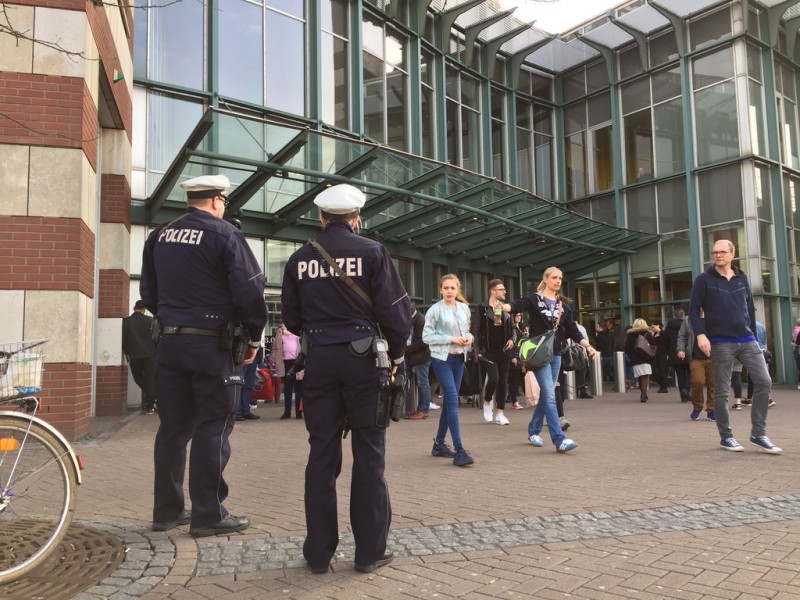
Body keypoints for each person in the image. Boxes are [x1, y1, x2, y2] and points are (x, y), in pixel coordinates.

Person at [281, 183, 411, 574]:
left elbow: (291, 320)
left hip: (319, 361)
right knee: (369, 453)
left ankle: (318, 553)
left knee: (321, 453)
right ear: (357, 218)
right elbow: (396, 315)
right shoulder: (373, 252)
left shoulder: (300, 258)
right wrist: (398, 355)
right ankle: (370, 551)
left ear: (321, 218)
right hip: (364, 362)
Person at [140, 174, 268, 537]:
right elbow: (250, 292)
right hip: (212, 345)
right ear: (216, 202)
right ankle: (208, 515)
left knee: (173, 428)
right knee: (213, 426)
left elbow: (148, 292)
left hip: (170, 343)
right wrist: (254, 338)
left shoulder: (159, 235)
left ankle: (166, 511)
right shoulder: (225, 234)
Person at [688, 239, 781, 453]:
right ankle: (726, 437)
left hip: (747, 340)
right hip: (721, 341)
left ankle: (758, 434)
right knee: (721, 391)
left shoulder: (742, 279)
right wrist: (701, 335)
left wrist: (755, 338)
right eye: (714, 252)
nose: (718, 255)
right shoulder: (704, 280)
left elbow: (749, 309)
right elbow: (694, 310)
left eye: (722, 252)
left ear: (732, 254)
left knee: (764, 381)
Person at [500, 266, 597, 453]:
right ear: (545, 279)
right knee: (551, 395)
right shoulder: (534, 299)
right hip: (539, 355)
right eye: (554, 277)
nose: (558, 281)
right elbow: (516, 306)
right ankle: (559, 439)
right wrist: (502, 306)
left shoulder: (563, 306)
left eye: (560, 278)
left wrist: (588, 346)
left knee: (547, 394)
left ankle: (533, 430)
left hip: (557, 354)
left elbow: (573, 331)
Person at [423, 274, 475, 466]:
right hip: (441, 358)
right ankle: (459, 449)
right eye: (446, 288)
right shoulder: (434, 311)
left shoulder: (463, 308)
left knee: (450, 403)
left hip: (459, 358)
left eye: (453, 288)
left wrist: (469, 338)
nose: (449, 291)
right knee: (452, 399)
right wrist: (451, 339)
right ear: (440, 290)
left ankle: (438, 444)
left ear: (457, 289)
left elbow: (467, 331)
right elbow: (426, 337)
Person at [474, 279, 516, 425]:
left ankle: (500, 413)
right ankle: (487, 401)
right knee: (494, 379)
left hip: (504, 351)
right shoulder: (482, 309)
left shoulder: (505, 309)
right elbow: (476, 331)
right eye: (501, 289)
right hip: (489, 352)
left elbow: (513, 330)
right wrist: (477, 351)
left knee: (503, 382)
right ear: (493, 292)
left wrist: (512, 340)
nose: (504, 292)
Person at [676, 310, 715, 421]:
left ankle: (712, 409)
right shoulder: (689, 320)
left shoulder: (714, 316)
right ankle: (697, 407)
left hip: (713, 357)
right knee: (698, 382)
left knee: (713, 384)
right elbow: (682, 336)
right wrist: (681, 349)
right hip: (696, 357)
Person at [121, 300, 158, 414]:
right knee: (150, 379)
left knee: (138, 378)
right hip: (150, 354)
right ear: (144, 310)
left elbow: (124, 340)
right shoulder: (150, 321)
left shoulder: (126, 322)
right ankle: (150, 405)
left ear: (134, 308)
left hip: (134, 355)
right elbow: (155, 337)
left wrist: (127, 353)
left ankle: (149, 399)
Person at [405, 303, 432, 420]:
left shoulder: (421, 320)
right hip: (415, 356)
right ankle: (418, 408)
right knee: (419, 382)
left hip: (421, 356)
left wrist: (406, 350)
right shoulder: (415, 318)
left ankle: (423, 410)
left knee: (422, 383)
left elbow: (423, 341)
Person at [274, 324, 303, 419]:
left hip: (298, 362)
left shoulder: (298, 330)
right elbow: (275, 347)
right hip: (285, 363)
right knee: (287, 389)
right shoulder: (280, 331)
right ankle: (287, 412)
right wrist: (275, 358)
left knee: (299, 389)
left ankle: (298, 412)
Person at [624, 319, 654, 402]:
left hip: (635, 358)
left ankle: (642, 392)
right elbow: (653, 345)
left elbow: (627, 348)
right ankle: (644, 393)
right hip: (646, 357)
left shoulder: (630, 334)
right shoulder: (647, 333)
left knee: (640, 376)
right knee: (645, 376)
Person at [666, 308, 691, 402]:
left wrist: (668, 353)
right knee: (691, 372)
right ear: (684, 316)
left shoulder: (669, 327)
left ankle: (683, 395)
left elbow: (666, 341)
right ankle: (687, 389)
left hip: (675, 353)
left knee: (680, 375)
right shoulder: (688, 324)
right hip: (687, 352)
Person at [506, 313, 526, 410]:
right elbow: (511, 343)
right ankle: (514, 401)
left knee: (522, 378)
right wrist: (512, 356)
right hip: (514, 355)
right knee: (514, 380)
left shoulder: (522, 327)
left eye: (520, 316)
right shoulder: (511, 328)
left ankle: (530, 397)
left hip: (522, 356)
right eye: (517, 315)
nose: (519, 317)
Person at [237, 347, 262, 421]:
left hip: (254, 354)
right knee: (241, 383)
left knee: (249, 384)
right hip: (244, 352)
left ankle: (246, 411)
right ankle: (237, 412)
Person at [651, 320, 669, 393]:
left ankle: (664, 387)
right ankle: (662, 384)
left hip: (662, 354)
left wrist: (667, 354)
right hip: (655, 355)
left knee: (661, 371)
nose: (652, 328)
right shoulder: (654, 334)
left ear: (658, 326)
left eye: (653, 327)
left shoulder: (663, 333)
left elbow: (666, 344)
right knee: (654, 370)